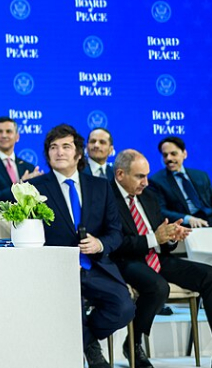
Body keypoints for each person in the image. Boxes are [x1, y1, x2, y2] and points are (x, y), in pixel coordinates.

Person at [111, 149, 212, 368]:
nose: (146, 183)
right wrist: (154, 238)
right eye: (140, 176)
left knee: (211, 275)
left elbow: (162, 235)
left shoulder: (148, 197)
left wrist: (171, 237)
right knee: (158, 287)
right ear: (120, 175)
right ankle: (134, 342)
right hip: (126, 261)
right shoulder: (106, 198)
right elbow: (114, 243)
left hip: (157, 258)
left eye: (147, 176)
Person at [28, 124, 133, 368]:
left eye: (66, 146)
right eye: (53, 147)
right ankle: (93, 353)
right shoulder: (35, 188)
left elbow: (115, 232)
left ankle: (86, 341)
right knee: (67, 308)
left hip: (95, 266)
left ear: (78, 153)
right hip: (54, 270)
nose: (59, 152)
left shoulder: (100, 186)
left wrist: (99, 244)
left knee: (124, 308)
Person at [148, 137, 212, 230]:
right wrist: (188, 219)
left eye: (173, 154)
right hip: (186, 226)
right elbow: (161, 211)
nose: (169, 158)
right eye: (165, 155)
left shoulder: (200, 175)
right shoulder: (157, 181)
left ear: (184, 154)